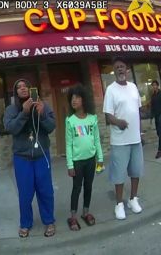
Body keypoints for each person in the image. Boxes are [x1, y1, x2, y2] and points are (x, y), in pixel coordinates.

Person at [3, 79, 56, 238]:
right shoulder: (11, 110)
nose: (23, 89)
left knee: (45, 191)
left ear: (31, 88)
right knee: (25, 194)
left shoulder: (43, 105)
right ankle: (25, 223)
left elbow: (51, 127)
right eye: (19, 87)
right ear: (16, 92)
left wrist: (41, 115)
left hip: (41, 156)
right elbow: (11, 128)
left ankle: (49, 221)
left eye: (25, 86)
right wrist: (24, 113)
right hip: (22, 158)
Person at [103, 57, 144, 220]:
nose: (120, 69)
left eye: (122, 66)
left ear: (127, 70)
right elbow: (108, 116)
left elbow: (137, 111)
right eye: (117, 67)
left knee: (136, 171)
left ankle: (133, 199)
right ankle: (119, 204)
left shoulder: (133, 87)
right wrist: (118, 122)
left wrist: (139, 132)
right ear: (114, 71)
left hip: (135, 139)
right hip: (120, 141)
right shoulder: (111, 90)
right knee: (119, 174)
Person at [65, 85, 103, 231]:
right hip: (77, 161)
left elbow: (97, 140)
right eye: (72, 98)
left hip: (91, 160)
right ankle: (73, 217)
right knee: (76, 188)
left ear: (84, 100)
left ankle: (85, 212)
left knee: (88, 186)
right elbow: (68, 145)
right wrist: (70, 165)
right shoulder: (70, 121)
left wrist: (99, 158)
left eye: (77, 97)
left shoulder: (92, 119)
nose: (74, 100)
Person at [150, 80, 161, 159]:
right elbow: (152, 107)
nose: (154, 86)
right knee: (158, 132)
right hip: (156, 116)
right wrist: (151, 117)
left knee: (160, 133)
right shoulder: (153, 96)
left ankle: (159, 151)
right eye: (153, 85)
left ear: (158, 85)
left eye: (155, 85)